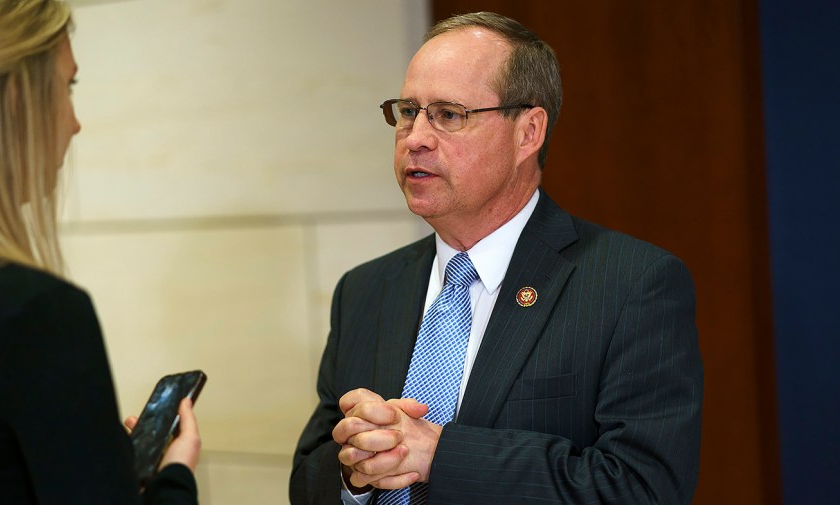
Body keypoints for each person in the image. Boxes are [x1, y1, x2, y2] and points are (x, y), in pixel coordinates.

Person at [290, 11, 702, 505]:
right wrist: (355, 468)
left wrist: (437, 455)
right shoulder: (365, 290)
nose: (415, 137)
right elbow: (306, 481)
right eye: (407, 111)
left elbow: (641, 487)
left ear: (528, 132)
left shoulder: (631, 285)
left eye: (448, 114)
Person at [0, 1, 201, 503]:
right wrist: (174, 476)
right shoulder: (33, 312)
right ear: (17, 98)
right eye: (68, 86)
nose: (75, 123)